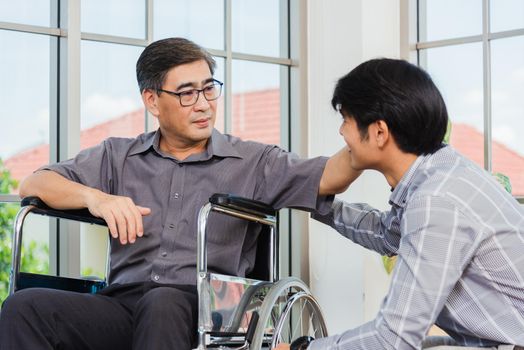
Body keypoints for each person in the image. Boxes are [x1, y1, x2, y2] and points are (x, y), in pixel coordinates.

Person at [0, 37, 359, 350]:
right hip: (124, 305)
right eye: (187, 93)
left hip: (205, 311)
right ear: (152, 101)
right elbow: (34, 183)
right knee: (24, 308)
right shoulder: (118, 156)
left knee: (163, 303)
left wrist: (373, 130)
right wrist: (97, 198)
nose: (203, 104)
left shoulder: (253, 161)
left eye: (209, 88)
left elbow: (330, 176)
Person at [276, 58, 524, 350]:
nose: (342, 133)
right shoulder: (440, 171)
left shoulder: (436, 200)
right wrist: (315, 199)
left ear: (379, 132)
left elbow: (392, 339)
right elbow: (387, 233)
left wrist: (302, 349)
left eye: (346, 120)